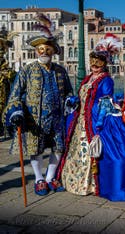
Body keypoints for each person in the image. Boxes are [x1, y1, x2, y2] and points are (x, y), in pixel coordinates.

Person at [57, 34, 125, 201]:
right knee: (76, 149)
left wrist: (99, 122)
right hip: (81, 118)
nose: (94, 65)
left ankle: (92, 184)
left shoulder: (106, 80)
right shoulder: (88, 78)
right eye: (92, 61)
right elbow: (83, 96)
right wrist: (74, 101)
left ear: (105, 63)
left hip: (94, 119)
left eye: (98, 62)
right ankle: (75, 181)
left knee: (94, 149)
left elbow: (105, 101)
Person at [3, 13, 72, 196]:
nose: (44, 53)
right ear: (36, 51)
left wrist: (71, 101)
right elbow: (15, 94)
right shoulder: (27, 70)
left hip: (57, 119)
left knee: (58, 148)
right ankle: (39, 178)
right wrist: (16, 112)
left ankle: (50, 177)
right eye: (41, 49)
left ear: (53, 52)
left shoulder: (60, 71)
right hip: (35, 120)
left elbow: (69, 92)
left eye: (47, 50)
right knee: (36, 150)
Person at [0, 30, 17, 138]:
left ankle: (5, 129)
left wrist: (8, 74)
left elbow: (14, 77)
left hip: (4, 93)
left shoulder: (5, 66)